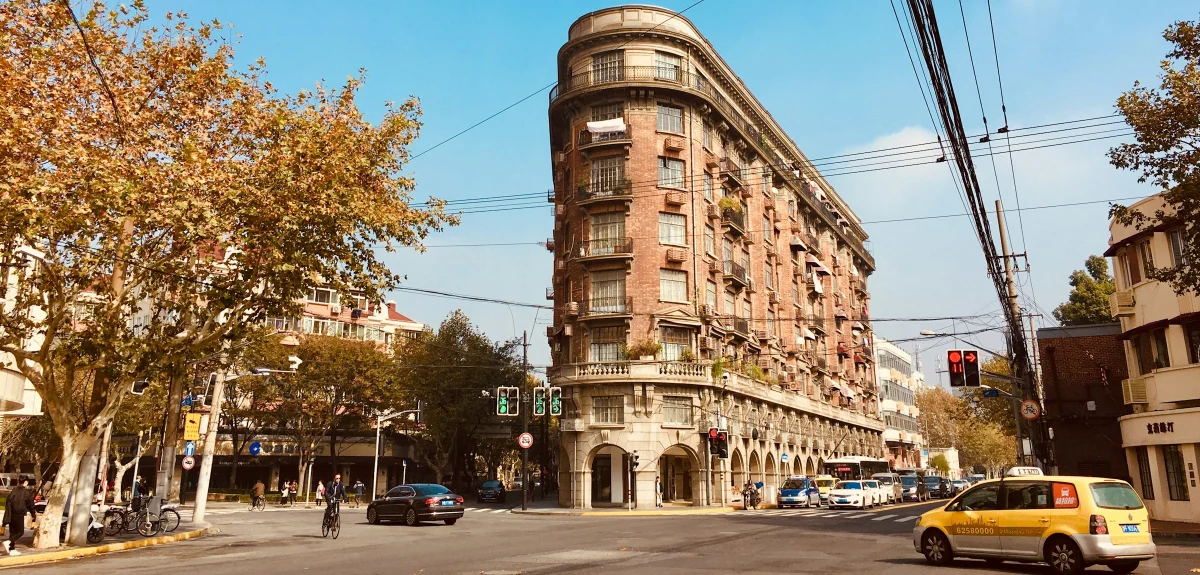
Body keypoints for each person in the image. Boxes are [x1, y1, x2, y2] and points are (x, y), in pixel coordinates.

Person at [3, 479, 36, 556]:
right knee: (20, 532)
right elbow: (30, 504)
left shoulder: (13, 491)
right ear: (25, 482)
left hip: (11, 514)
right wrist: (33, 513)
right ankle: (9, 542)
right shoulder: (26, 492)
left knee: (13, 532)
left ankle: (12, 549)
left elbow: (8, 502)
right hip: (19, 514)